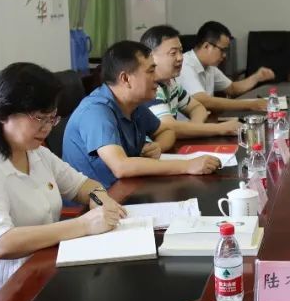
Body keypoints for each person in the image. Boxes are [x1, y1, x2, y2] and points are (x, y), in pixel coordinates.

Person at [0, 63, 128, 301]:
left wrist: (100, 202)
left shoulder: (35, 153)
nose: (46, 127)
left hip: (40, 277)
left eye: (52, 118)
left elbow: (84, 186)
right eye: (39, 118)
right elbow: (0, 243)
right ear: (4, 113)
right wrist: (83, 225)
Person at [62, 41, 221, 188]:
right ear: (125, 78)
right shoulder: (96, 111)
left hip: (128, 188)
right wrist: (188, 165)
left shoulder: (133, 105)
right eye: (151, 71)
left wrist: (158, 146)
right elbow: (121, 167)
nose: (156, 77)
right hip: (96, 201)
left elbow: (166, 131)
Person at [140, 25, 240, 146]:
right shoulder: (149, 88)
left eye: (180, 51)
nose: (180, 58)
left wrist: (194, 128)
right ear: (151, 57)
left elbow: (197, 107)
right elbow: (170, 127)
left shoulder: (171, 83)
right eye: (173, 53)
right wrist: (221, 128)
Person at [179, 21, 274, 112]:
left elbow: (232, 88)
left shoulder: (210, 67)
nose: (224, 55)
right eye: (222, 50)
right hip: (188, 123)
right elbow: (204, 101)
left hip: (207, 120)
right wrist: (250, 105)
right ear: (206, 46)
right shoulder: (184, 65)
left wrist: (257, 77)